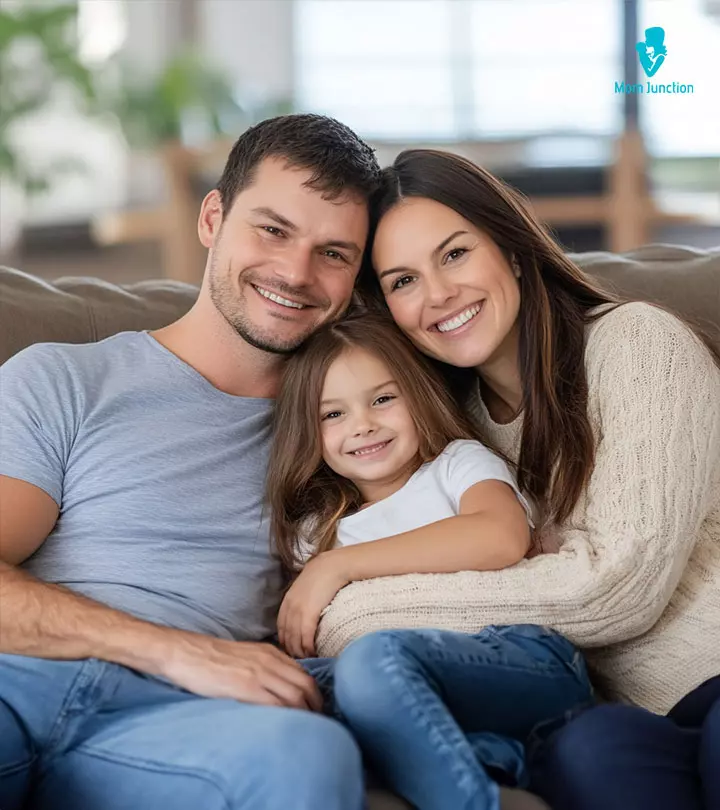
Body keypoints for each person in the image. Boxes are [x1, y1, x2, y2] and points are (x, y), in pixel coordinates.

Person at [315, 148, 720, 810]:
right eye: (402, 281)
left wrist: (345, 592)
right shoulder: (442, 433)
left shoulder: (638, 346)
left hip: (713, 671)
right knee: (588, 756)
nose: (438, 295)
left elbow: (620, 586)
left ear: (510, 246)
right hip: (614, 713)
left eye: (453, 255)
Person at [0, 114, 381, 810]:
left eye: (334, 253)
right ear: (214, 218)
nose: (295, 273)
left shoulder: (354, 429)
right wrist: (172, 649)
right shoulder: (64, 379)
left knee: (307, 755)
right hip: (17, 683)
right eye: (272, 229)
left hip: (177, 725)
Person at [266, 312, 593, 810]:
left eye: (382, 399)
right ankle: (490, 764)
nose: (363, 424)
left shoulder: (456, 465)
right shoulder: (316, 531)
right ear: (306, 431)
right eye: (332, 414)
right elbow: (304, 640)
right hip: (406, 696)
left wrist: (338, 566)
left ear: (417, 394)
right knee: (290, 692)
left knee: (373, 660)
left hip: (519, 660)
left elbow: (501, 536)